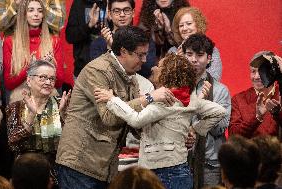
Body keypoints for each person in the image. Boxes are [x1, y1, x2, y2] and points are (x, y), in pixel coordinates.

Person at [56, 26, 175, 189]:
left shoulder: (130, 75)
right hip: (80, 163)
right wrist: (149, 97)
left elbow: (134, 119)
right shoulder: (97, 71)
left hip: (104, 166)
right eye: (140, 55)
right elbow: (109, 117)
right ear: (124, 51)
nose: (145, 60)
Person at [94, 53, 227, 189]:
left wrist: (112, 99)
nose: (153, 68)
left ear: (167, 73)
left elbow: (136, 120)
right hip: (181, 170)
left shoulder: (165, 101)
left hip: (163, 173)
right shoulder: (189, 98)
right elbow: (219, 112)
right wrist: (196, 129)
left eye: (159, 66)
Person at [6, 60, 70, 187]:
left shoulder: (61, 104)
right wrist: (31, 114)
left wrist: (63, 115)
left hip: (57, 174)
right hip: (27, 174)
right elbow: (13, 145)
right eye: (43, 77)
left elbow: (71, 143)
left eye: (52, 79)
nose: (48, 82)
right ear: (29, 80)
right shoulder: (15, 107)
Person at [182, 33, 231, 188]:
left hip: (210, 163)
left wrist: (201, 105)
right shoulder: (176, 87)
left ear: (209, 58)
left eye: (200, 55)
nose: (194, 59)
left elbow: (219, 129)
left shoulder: (220, 90)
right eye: (189, 54)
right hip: (180, 161)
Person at [3, 0, 65, 104]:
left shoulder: (53, 41)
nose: (36, 14)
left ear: (43, 15)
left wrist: (51, 66)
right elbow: (9, 84)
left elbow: (59, 83)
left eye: (40, 11)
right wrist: (31, 67)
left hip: (47, 98)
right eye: (31, 10)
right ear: (23, 14)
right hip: (21, 98)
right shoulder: (10, 42)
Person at [90, 0, 157, 79]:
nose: (122, 15)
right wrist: (111, 49)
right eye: (117, 11)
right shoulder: (99, 42)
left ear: (133, 12)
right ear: (109, 14)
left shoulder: (144, 39)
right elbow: (99, 73)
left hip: (141, 87)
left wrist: (115, 50)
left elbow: (147, 69)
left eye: (126, 10)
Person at [229, 51, 282, 138]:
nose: (256, 77)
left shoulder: (280, 94)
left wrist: (278, 114)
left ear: (273, 72)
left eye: (261, 71)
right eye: (253, 71)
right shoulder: (238, 100)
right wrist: (257, 117)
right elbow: (233, 136)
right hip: (248, 151)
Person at [170, 7, 222, 81]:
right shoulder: (173, 51)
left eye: (189, 24)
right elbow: (167, 81)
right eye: (181, 25)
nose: (184, 28)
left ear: (198, 25)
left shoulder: (211, 50)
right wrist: (177, 61)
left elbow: (214, 78)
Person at [65, 0, 101, 77]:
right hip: (83, 70)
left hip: (109, 71)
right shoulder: (79, 3)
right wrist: (89, 25)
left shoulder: (112, 3)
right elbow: (70, 36)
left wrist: (111, 21)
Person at [0, 0, 65, 33]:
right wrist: (15, 5)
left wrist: (41, 4)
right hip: (14, 47)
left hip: (45, 47)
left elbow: (60, 23)